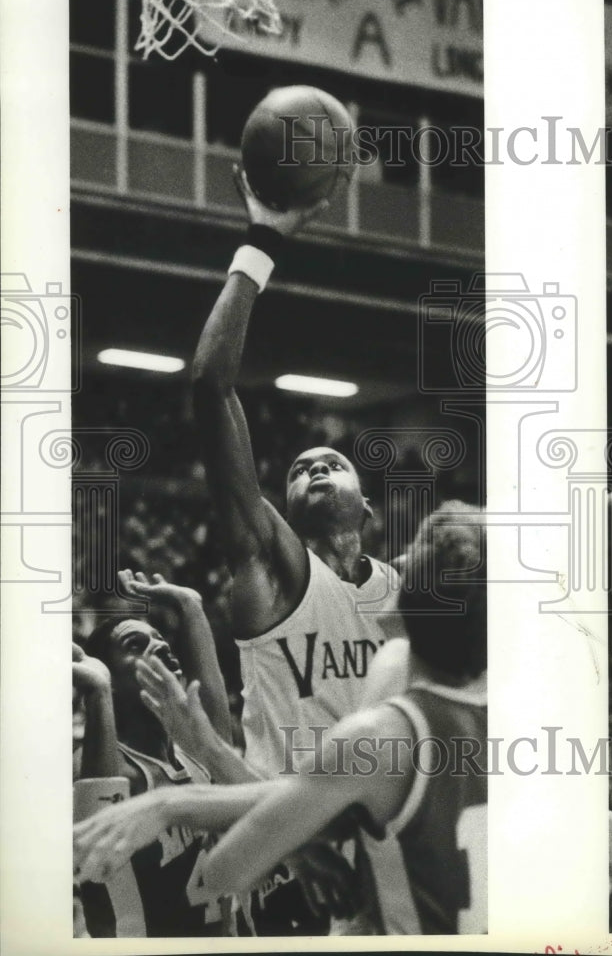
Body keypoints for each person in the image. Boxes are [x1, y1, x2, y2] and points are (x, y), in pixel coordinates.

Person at [74, 538, 488, 935]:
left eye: (409, 560)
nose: (394, 562)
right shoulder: (484, 707)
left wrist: (171, 805)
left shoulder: (378, 727)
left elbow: (227, 867)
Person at [190, 167, 403, 930]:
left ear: (367, 507)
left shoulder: (408, 593)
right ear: (278, 510)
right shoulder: (276, 572)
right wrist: (261, 242)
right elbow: (212, 385)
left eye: (332, 462)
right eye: (299, 468)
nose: (314, 463)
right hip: (287, 858)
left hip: (390, 854)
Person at [72, 570, 236, 938]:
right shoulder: (99, 766)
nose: (161, 648)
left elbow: (211, 714)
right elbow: (102, 873)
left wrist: (189, 605)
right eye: (135, 645)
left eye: (161, 640)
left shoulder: (195, 753)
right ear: (110, 679)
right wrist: (97, 694)